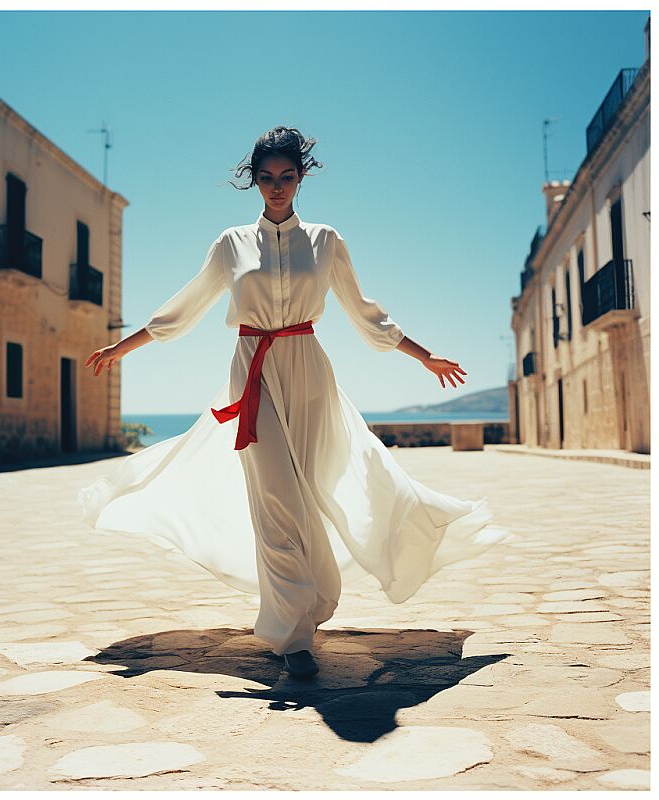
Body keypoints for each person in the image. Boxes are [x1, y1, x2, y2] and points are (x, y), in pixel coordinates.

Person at [78, 125, 512, 680]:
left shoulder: (327, 241)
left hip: (308, 371)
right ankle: (292, 636)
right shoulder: (231, 244)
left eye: (286, 177)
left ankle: (310, 603)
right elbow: (181, 311)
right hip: (251, 372)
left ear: (302, 177)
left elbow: (367, 315)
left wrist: (424, 356)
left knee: (309, 493)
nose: (276, 188)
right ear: (253, 181)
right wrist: (125, 345)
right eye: (266, 179)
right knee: (274, 498)